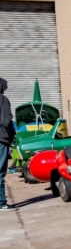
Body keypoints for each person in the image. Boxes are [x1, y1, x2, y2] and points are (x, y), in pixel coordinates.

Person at [0, 78, 14, 211]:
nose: (5, 89)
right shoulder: (2, 100)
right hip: (0, 139)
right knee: (0, 171)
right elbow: (6, 121)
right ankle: (1, 202)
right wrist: (11, 135)